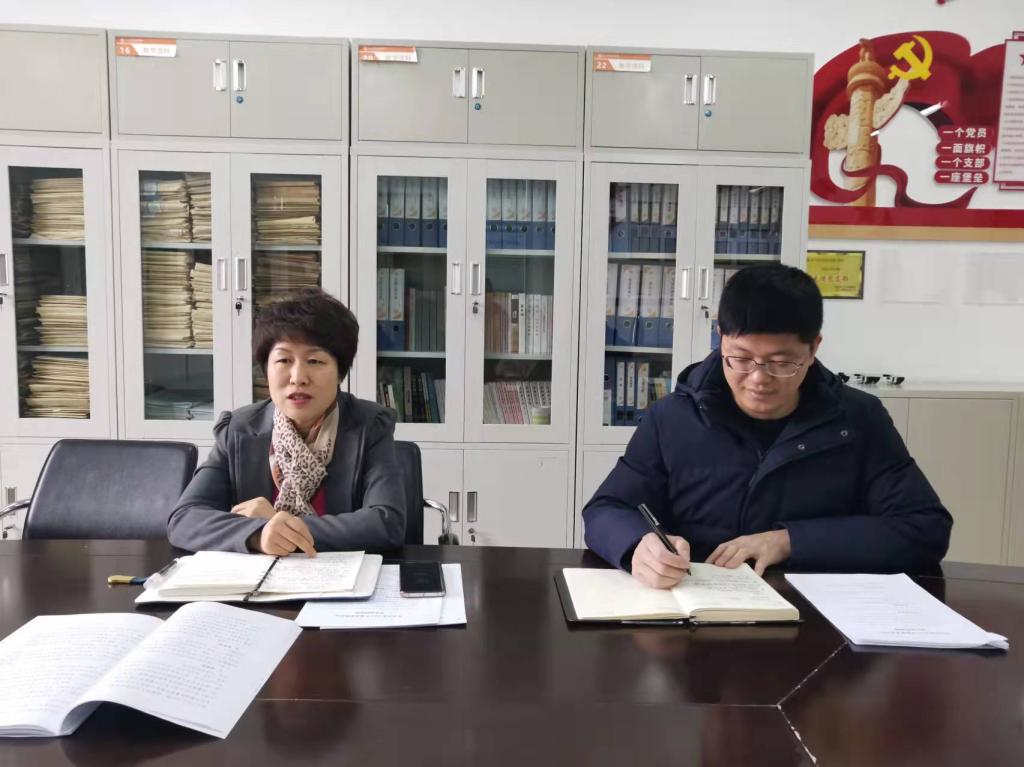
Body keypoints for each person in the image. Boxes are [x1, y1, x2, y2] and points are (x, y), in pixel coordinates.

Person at [583, 263, 951, 588]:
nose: (758, 379)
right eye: (740, 358)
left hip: (814, 616)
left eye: (781, 363)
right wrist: (638, 546)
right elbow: (606, 509)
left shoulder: (857, 420)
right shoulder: (673, 418)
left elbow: (924, 528)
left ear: (813, 348)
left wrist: (789, 541)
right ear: (720, 337)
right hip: (697, 610)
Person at [168, 287, 406, 555]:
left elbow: (387, 523)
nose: (298, 377)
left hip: (339, 576)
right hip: (257, 579)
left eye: (315, 361)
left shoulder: (370, 426)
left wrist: (278, 524)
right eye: (283, 360)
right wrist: (258, 534)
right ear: (266, 369)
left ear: (340, 372)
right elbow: (185, 519)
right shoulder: (239, 429)